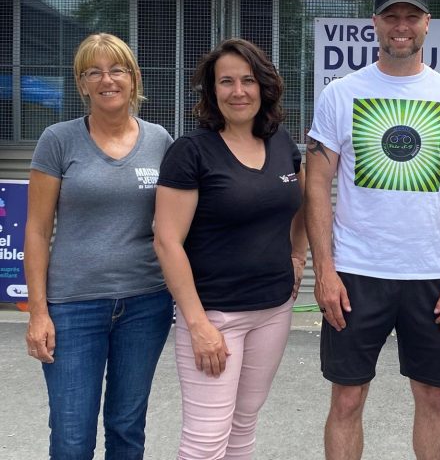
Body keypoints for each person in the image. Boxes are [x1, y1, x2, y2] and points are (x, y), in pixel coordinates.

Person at [305, 0, 440, 460]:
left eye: (410, 16)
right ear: (375, 24)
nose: (400, 26)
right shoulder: (341, 94)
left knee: (432, 396)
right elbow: (316, 182)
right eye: (390, 16)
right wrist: (324, 270)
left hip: (431, 273)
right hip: (357, 272)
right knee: (346, 398)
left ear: (427, 24)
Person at [153, 38, 307, 459]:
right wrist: (198, 324)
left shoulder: (281, 143)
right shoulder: (191, 152)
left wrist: (297, 256)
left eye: (248, 80)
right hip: (215, 316)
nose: (238, 91)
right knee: (205, 441)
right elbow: (167, 241)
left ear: (264, 87)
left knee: (243, 427)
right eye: (226, 82)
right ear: (211, 90)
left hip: (273, 310)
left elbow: (302, 206)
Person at [24, 33, 174, 459]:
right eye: (94, 72)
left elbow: (175, 223)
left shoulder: (159, 140)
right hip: (73, 306)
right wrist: (38, 313)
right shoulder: (58, 139)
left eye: (117, 69)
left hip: (146, 303)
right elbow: (36, 230)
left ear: (134, 78)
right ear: (82, 83)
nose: (107, 80)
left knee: (128, 429)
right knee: (72, 436)